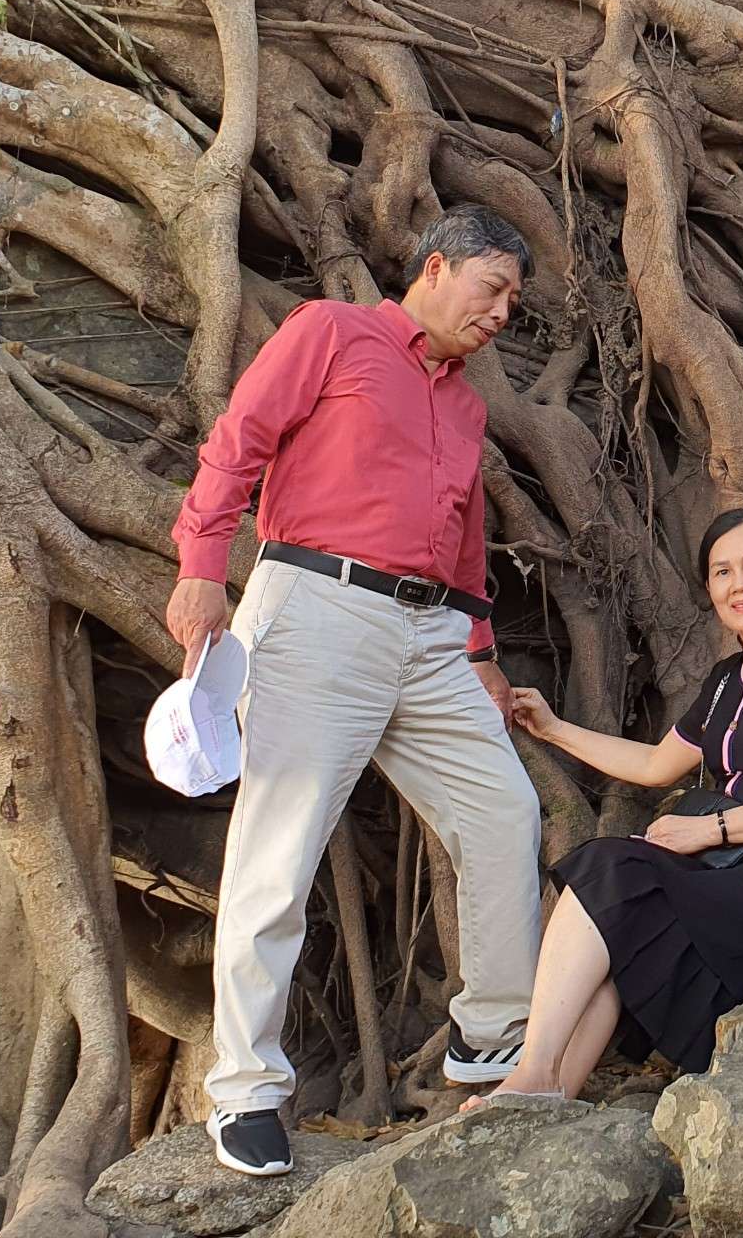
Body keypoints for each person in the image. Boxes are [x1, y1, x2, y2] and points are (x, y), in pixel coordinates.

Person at [165, 206, 543, 1177]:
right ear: (436, 267)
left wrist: (482, 649)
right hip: (317, 608)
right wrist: (201, 566)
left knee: (504, 811)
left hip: (433, 636)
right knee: (279, 849)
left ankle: (491, 1034)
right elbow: (238, 441)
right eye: (493, 289)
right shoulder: (331, 333)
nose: (503, 313)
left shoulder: (466, 406)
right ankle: (246, 1088)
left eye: (514, 300)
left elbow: (464, 539)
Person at [468, 508, 743, 1103]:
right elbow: (655, 765)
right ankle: (546, 1094)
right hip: (732, 865)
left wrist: (710, 830)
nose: (739, 584)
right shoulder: (726, 679)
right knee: (618, 921)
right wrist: (554, 729)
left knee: (611, 867)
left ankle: (532, 1070)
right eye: (722, 572)